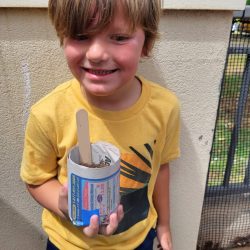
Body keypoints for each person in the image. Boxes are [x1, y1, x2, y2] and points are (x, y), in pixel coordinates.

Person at [20, 0, 180, 249]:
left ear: (146, 43)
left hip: (139, 240)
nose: (96, 54)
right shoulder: (48, 114)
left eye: (118, 37)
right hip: (69, 243)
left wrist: (164, 225)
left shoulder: (164, 108)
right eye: (81, 35)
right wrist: (65, 208)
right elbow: (37, 180)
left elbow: (161, 167)